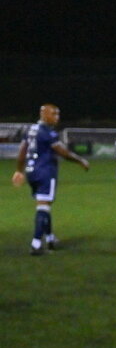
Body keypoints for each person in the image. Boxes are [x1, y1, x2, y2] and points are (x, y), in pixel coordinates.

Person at [10, 104, 90, 254]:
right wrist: (81, 160)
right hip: (45, 172)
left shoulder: (30, 130)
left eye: (58, 114)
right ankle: (36, 245)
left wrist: (18, 171)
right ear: (44, 115)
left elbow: (22, 152)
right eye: (54, 114)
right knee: (43, 207)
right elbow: (64, 153)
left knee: (44, 205)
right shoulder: (48, 133)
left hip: (31, 172)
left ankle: (50, 238)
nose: (57, 118)